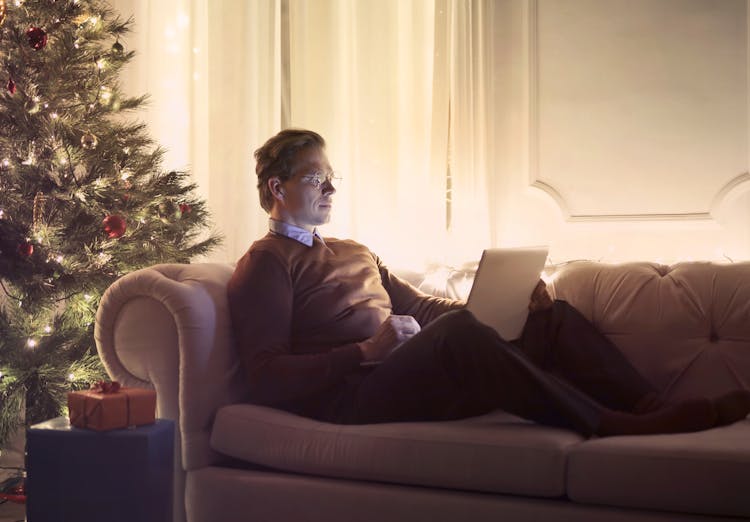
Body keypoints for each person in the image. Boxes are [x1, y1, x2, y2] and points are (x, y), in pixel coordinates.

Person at [227, 128, 750, 437]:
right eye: (318, 177)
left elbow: (425, 311)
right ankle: (609, 426)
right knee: (463, 336)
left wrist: (506, 305)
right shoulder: (267, 263)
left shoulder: (353, 250)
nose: (332, 188)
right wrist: (366, 350)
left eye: (330, 175)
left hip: (401, 370)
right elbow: (266, 374)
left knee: (550, 317)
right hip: (353, 397)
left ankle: (651, 408)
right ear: (278, 187)